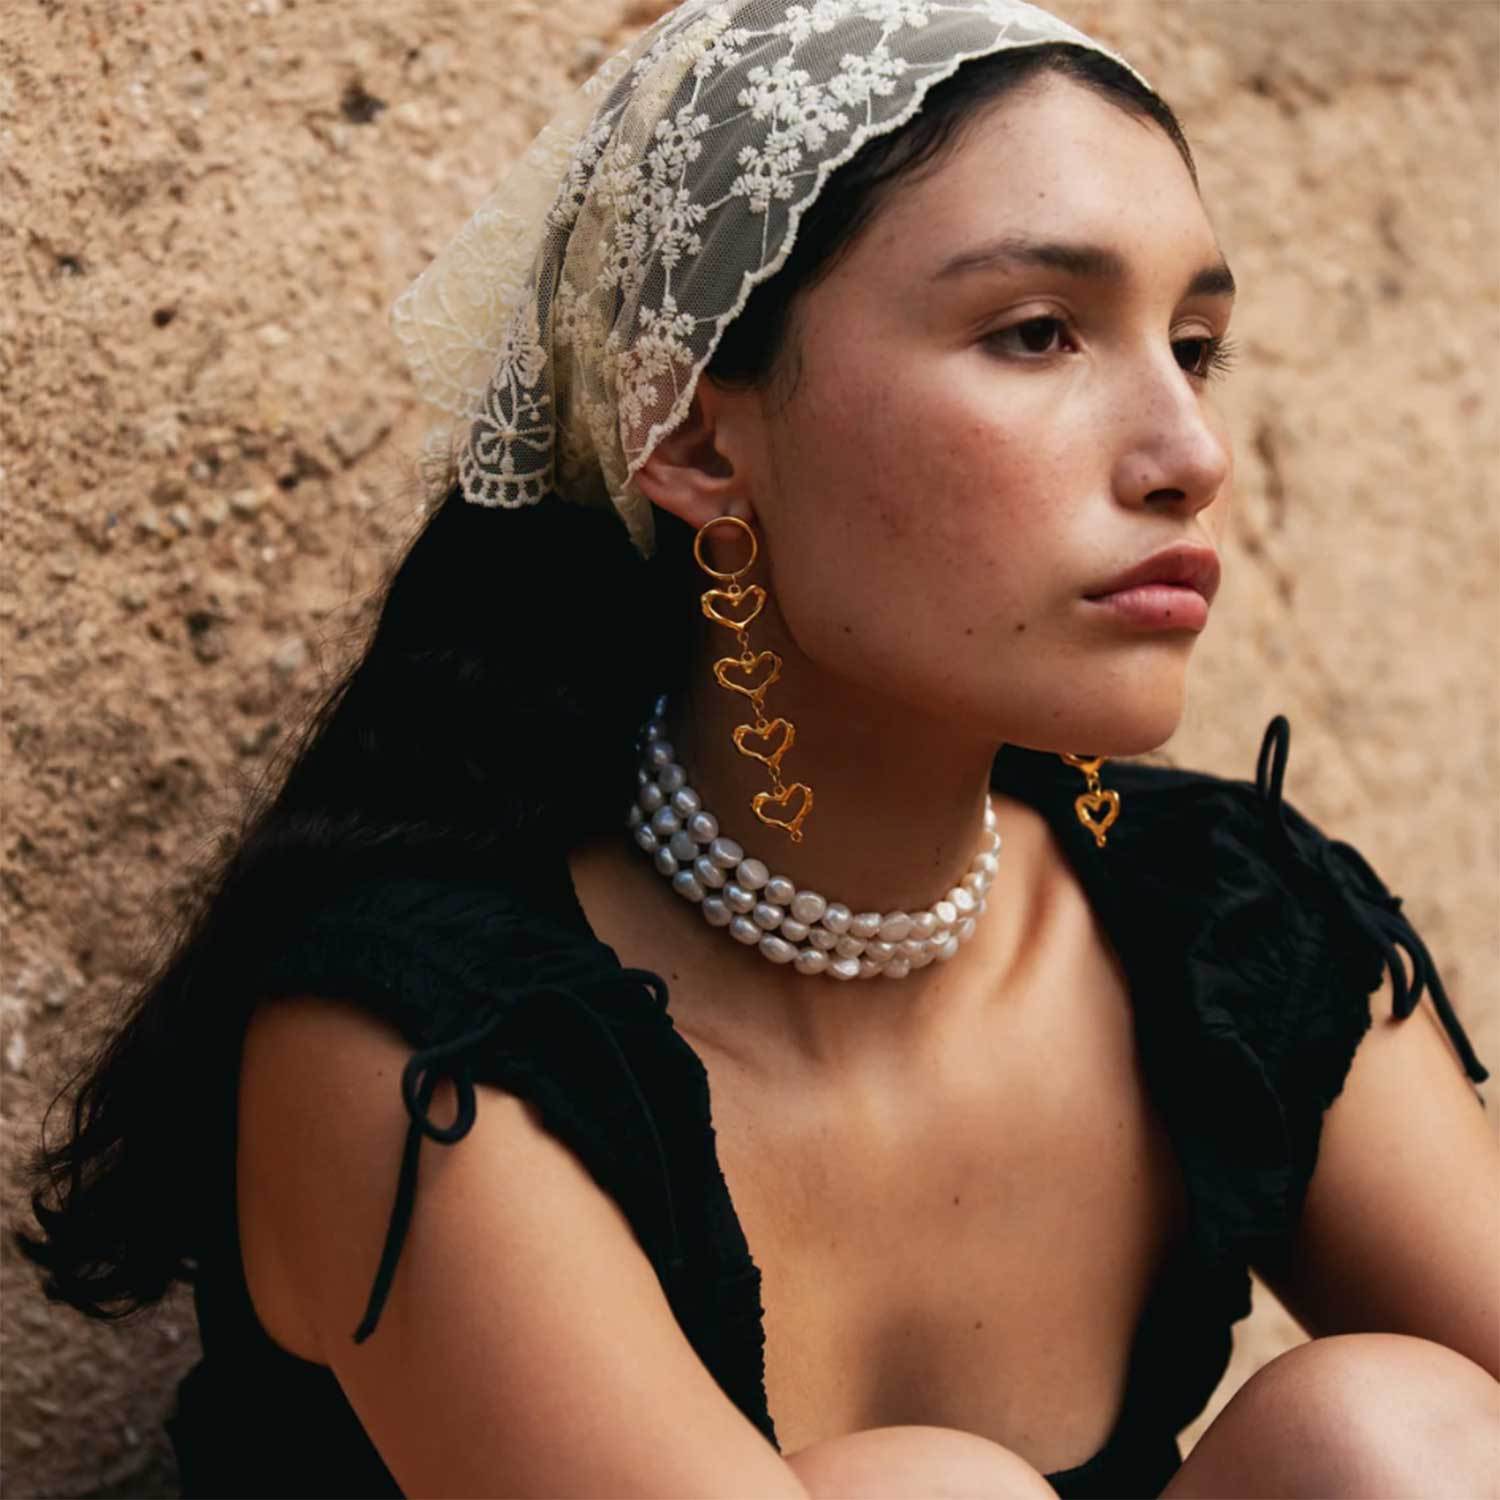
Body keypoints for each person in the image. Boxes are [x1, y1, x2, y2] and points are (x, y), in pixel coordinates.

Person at [16, 1, 1498, 1496]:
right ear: (697, 441)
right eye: (1037, 333)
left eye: (1195, 348)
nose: (1192, 455)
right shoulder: (426, 1048)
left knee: (1390, 1438)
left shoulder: (1229, 924)